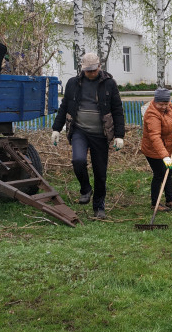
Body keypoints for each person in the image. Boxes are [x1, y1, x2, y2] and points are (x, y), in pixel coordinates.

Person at [51, 53, 125, 219]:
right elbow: (64, 107)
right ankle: (85, 189)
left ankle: (99, 207)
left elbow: (117, 110)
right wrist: (56, 128)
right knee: (78, 160)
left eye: (94, 70)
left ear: (99, 66)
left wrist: (120, 135)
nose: (91, 73)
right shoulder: (73, 83)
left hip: (100, 134)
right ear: (82, 69)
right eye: (88, 70)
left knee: (100, 173)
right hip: (79, 131)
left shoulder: (109, 84)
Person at [141, 88, 172, 211]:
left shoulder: (168, 105)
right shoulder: (152, 114)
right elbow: (155, 137)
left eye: (166, 103)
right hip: (153, 149)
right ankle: (155, 203)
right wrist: (164, 156)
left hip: (167, 146)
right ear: (155, 101)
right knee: (159, 174)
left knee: (168, 172)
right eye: (161, 104)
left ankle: (170, 200)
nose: (164, 106)